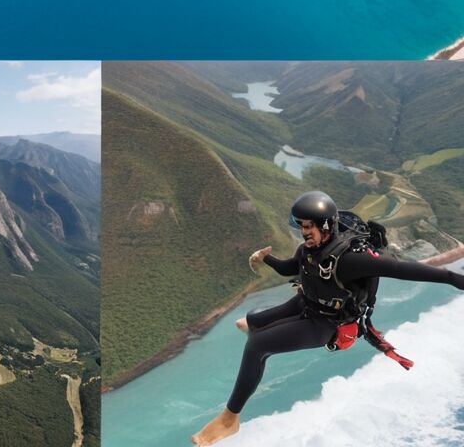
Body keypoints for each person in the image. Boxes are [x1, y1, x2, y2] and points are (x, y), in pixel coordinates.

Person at [191, 191, 464, 445]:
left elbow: (403, 269)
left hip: (326, 324)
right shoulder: (308, 250)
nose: (303, 231)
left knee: (256, 345)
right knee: (252, 319)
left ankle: (230, 420)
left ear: (326, 226)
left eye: (308, 226)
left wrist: (454, 278)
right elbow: (291, 268)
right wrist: (268, 259)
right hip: (304, 303)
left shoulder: (350, 261)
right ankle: (257, 326)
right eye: (300, 225)